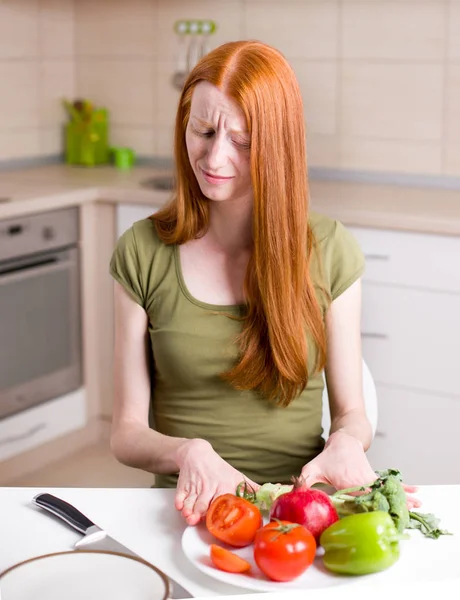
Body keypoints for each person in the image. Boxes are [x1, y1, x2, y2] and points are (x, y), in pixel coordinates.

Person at [109, 40, 419, 526]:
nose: (214, 156)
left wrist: (343, 443)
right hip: (188, 510)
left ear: (277, 146)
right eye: (203, 130)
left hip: (299, 509)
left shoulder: (331, 250)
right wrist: (188, 452)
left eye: (243, 141)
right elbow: (126, 433)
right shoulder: (142, 251)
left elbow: (351, 413)